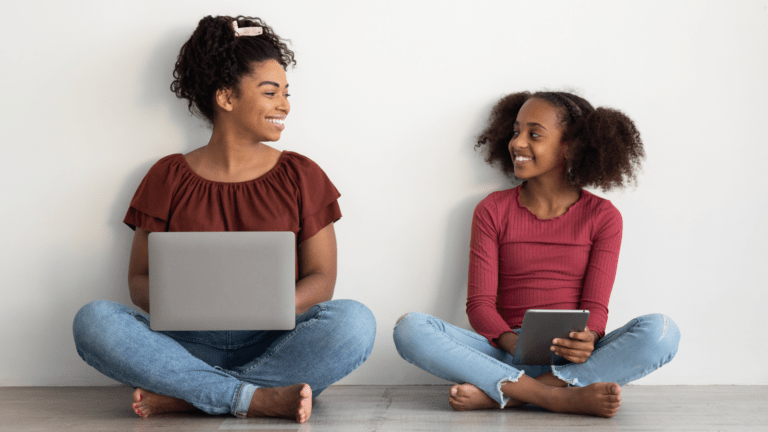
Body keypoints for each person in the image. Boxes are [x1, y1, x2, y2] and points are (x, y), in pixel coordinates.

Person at [72, 15, 376, 423]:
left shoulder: (302, 174)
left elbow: (322, 278)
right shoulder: (167, 175)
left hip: (275, 343)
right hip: (184, 345)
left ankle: (193, 395)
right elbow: (139, 280)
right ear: (226, 98)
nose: (285, 104)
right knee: (93, 321)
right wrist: (189, 303)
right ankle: (255, 397)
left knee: (355, 322)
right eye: (271, 92)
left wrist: (271, 306)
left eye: (286, 92)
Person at [392, 91, 679, 418]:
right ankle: (560, 397)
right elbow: (480, 305)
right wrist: (512, 342)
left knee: (662, 332)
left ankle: (512, 394)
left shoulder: (603, 216)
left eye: (534, 134)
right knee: (411, 329)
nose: (517, 143)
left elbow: (596, 307)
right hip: (503, 354)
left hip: (572, 358)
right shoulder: (493, 210)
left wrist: (589, 338)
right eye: (515, 131)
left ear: (570, 145)